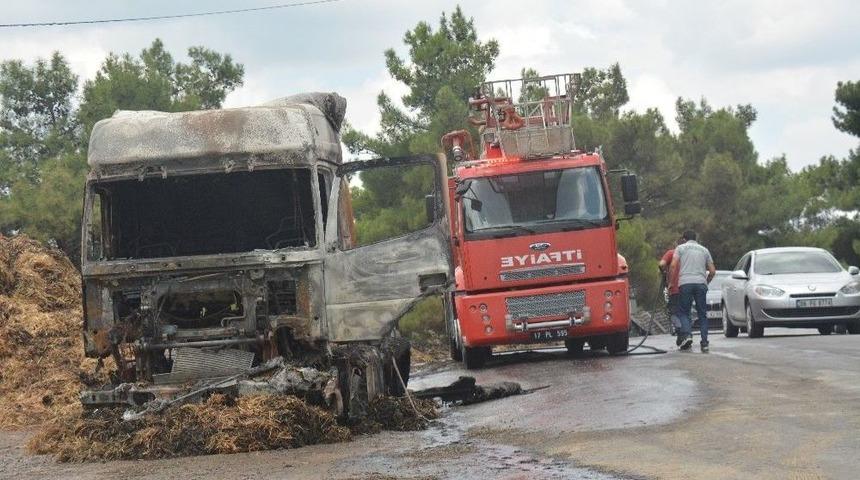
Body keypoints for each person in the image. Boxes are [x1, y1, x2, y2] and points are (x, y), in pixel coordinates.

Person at [670, 230, 716, 352]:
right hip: (701, 283)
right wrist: (706, 282)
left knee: (683, 312)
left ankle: (688, 335)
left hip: (685, 283)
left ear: (684, 239)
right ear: (696, 239)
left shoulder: (680, 248)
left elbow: (673, 265)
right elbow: (712, 271)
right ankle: (705, 343)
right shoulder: (704, 250)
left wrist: (670, 282)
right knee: (702, 314)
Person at [658, 238, 683, 337]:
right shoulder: (688, 255)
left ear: (676, 244)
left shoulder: (671, 253)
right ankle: (685, 335)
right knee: (684, 312)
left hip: (675, 288)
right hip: (687, 287)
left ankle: (679, 327)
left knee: (672, 311)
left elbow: (661, 264)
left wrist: (664, 272)